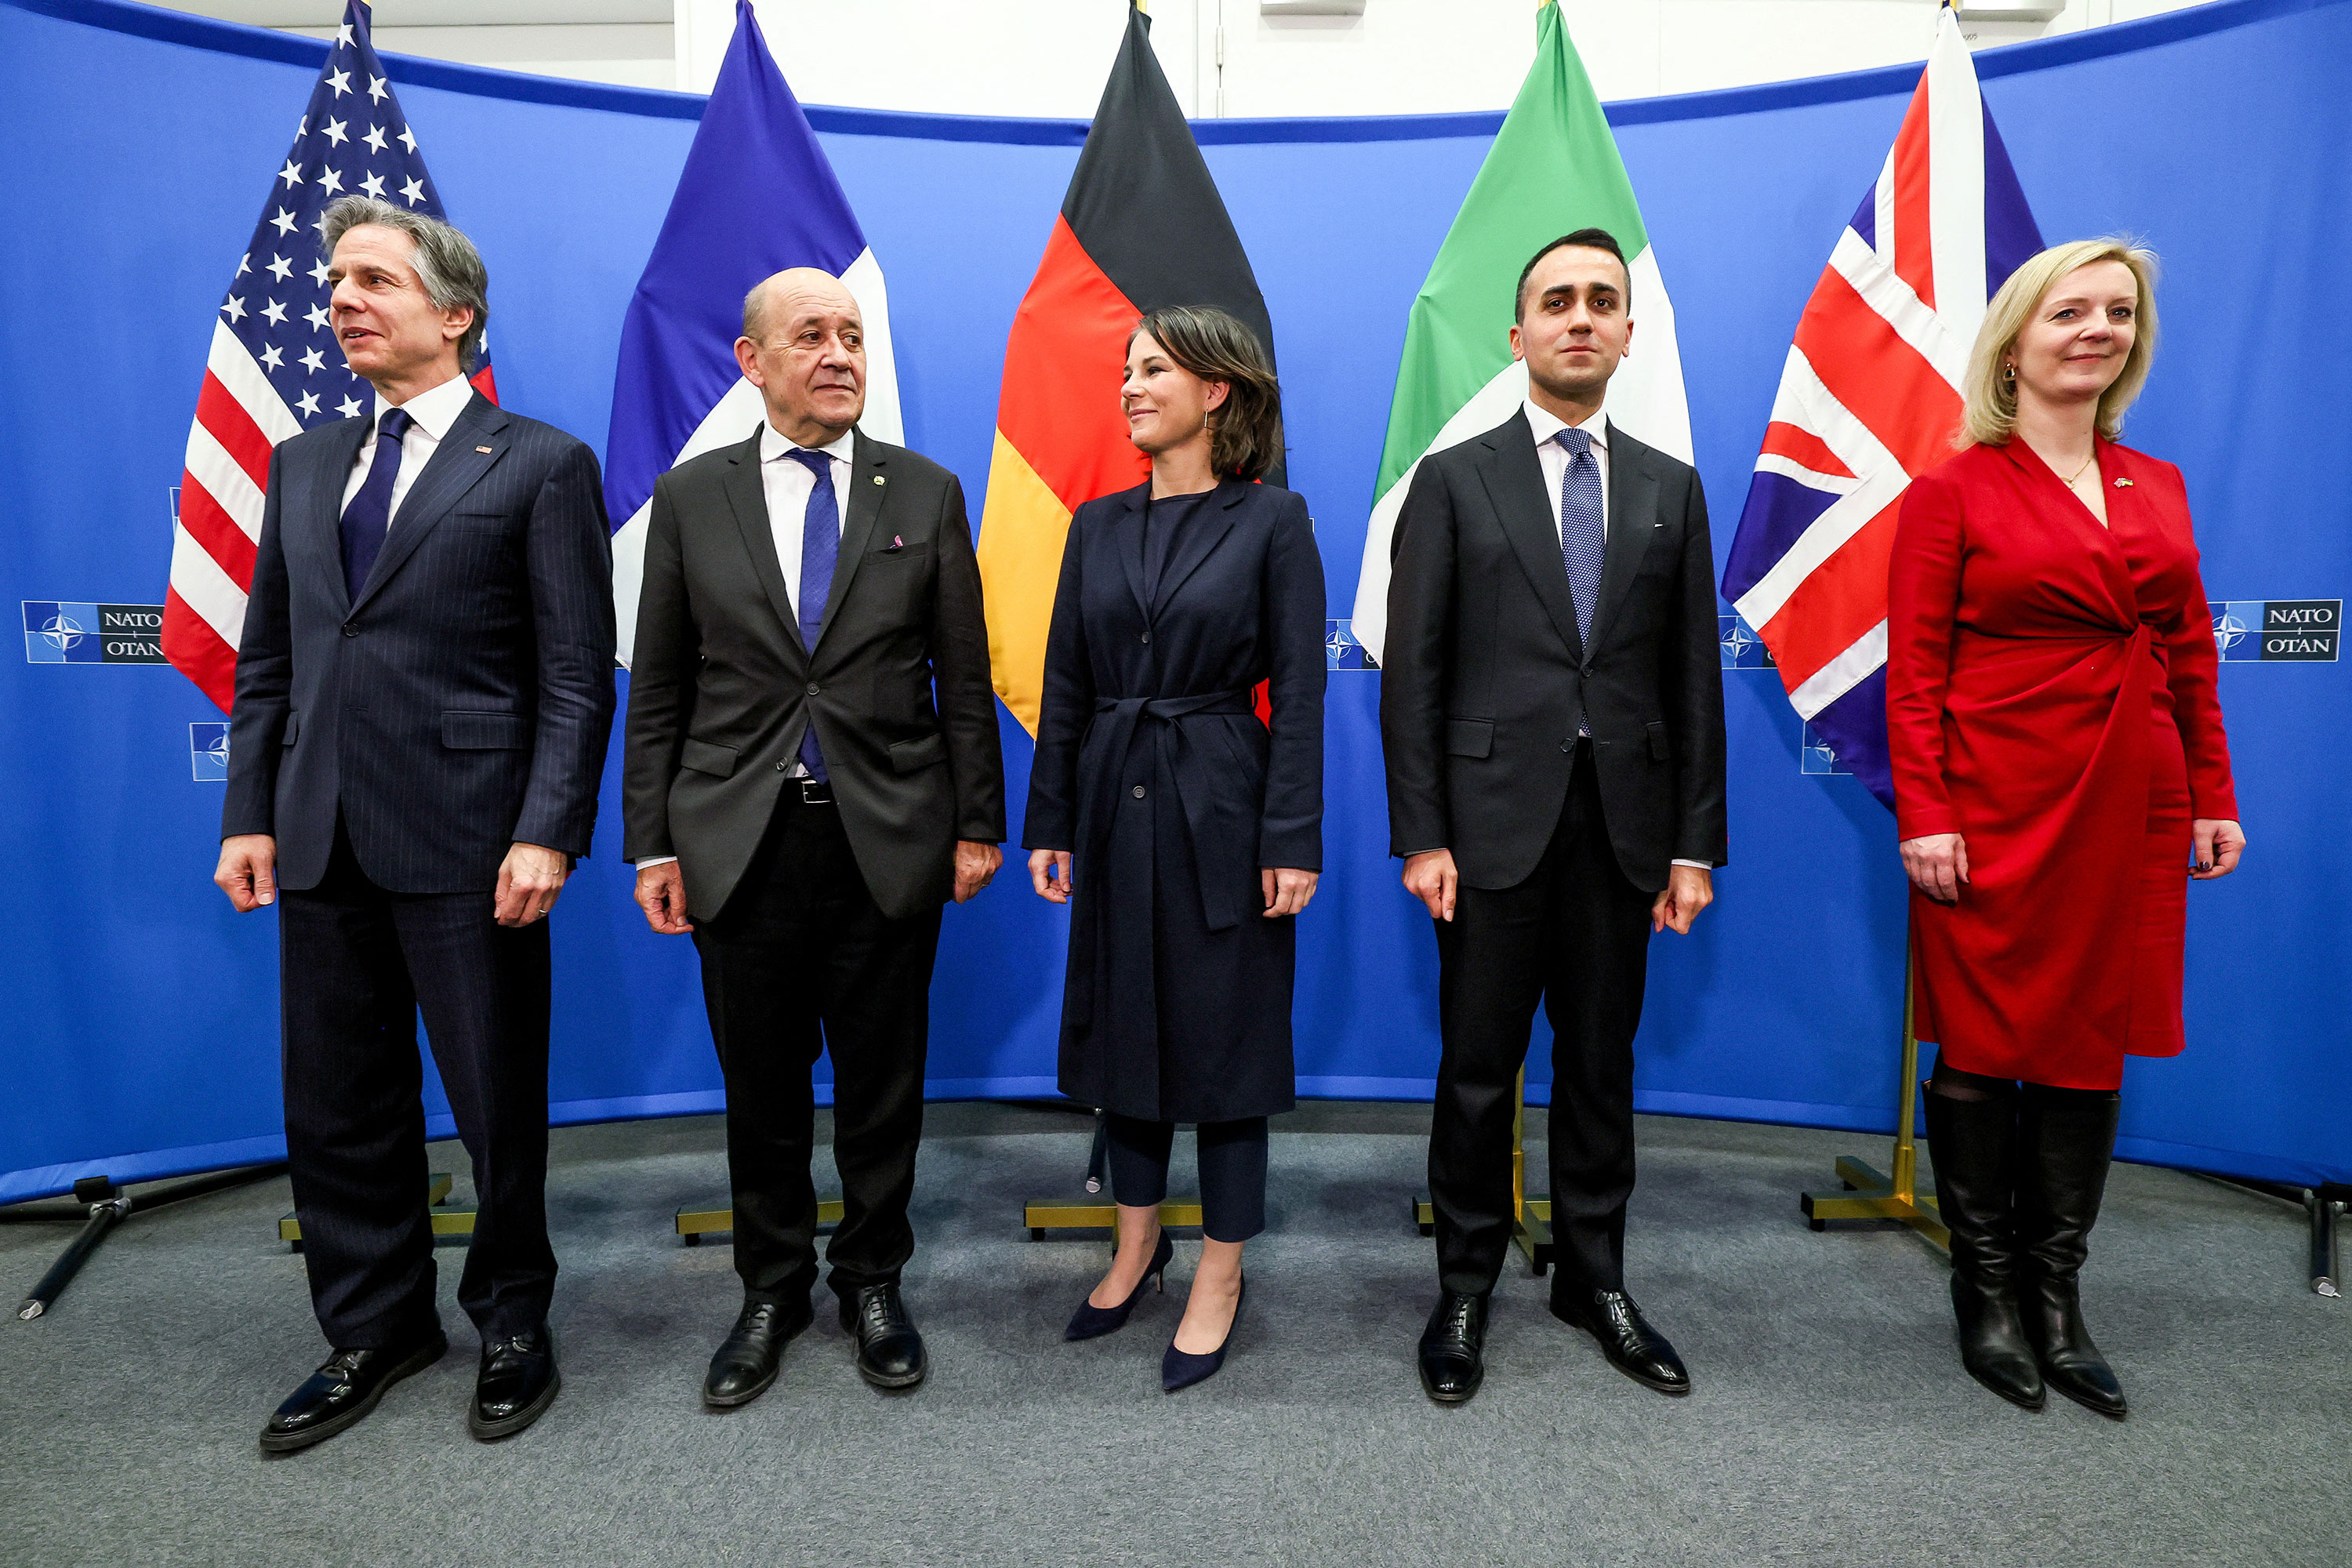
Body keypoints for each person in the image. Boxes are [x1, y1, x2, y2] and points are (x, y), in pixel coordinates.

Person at [215, 197, 616, 1451]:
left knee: (495, 1102)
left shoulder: (539, 463)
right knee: (335, 1102)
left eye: (375, 279)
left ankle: (509, 1317)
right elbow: (269, 658)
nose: (342, 298)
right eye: (337, 279)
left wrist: (548, 828)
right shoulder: (300, 462)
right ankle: (375, 1324)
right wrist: (250, 814)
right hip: (318, 830)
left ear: (455, 314)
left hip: (471, 841)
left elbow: (572, 672)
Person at [624, 268, 1004, 1407]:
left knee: (885, 1085)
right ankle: (771, 1288)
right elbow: (662, 689)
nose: (839, 353)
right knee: (762, 1086)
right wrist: (652, 843)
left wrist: (978, 821)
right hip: (738, 843)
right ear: (752, 362)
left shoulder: (924, 492)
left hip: (887, 836)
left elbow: (966, 682)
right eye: (811, 336)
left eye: (852, 336)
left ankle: (874, 1281)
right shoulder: (691, 497)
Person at [1887, 238, 2242, 1421]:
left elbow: (2190, 656)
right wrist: (1926, 814)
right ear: (2017, 339)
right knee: (1985, 1043)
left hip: (2131, 804)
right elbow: (1915, 674)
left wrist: (2211, 794)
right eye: (2071, 312)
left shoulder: (2163, 484)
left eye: (2120, 313)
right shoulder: (1952, 490)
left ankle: (2058, 1297)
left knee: (2092, 1039)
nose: (2097, 330)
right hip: (1993, 804)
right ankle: (1985, 1292)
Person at [1381, 230, 1726, 1405]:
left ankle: (1594, 1276)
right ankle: (1466, 1281)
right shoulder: (1455, 477)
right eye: (1556, 301)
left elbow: (1693, 682)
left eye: (1603, 300)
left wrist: (1693, 844)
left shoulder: (1672, 490)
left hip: (1624, 832)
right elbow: (1412, 673)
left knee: (1602, 1065)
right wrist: (1422, 833)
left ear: (1629, 333)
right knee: (1479, 1070)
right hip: (1485, 833)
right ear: (1517, 334)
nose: (1581, 317)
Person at [1024, 304, 1324, 1393]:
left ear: (1219, 393)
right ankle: (1138, 1245)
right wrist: (1050, 818)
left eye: (1154, 369)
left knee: (1228, 1048)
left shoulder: (1274, 521)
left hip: (1227, 809)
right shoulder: (1095, 526)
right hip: (1111, 804)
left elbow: (1299, 692)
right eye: (1126, 369)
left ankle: (1223, 1271)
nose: (1131, 387)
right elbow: (1066, 685)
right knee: (1125, 1039)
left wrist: (1293, 835)